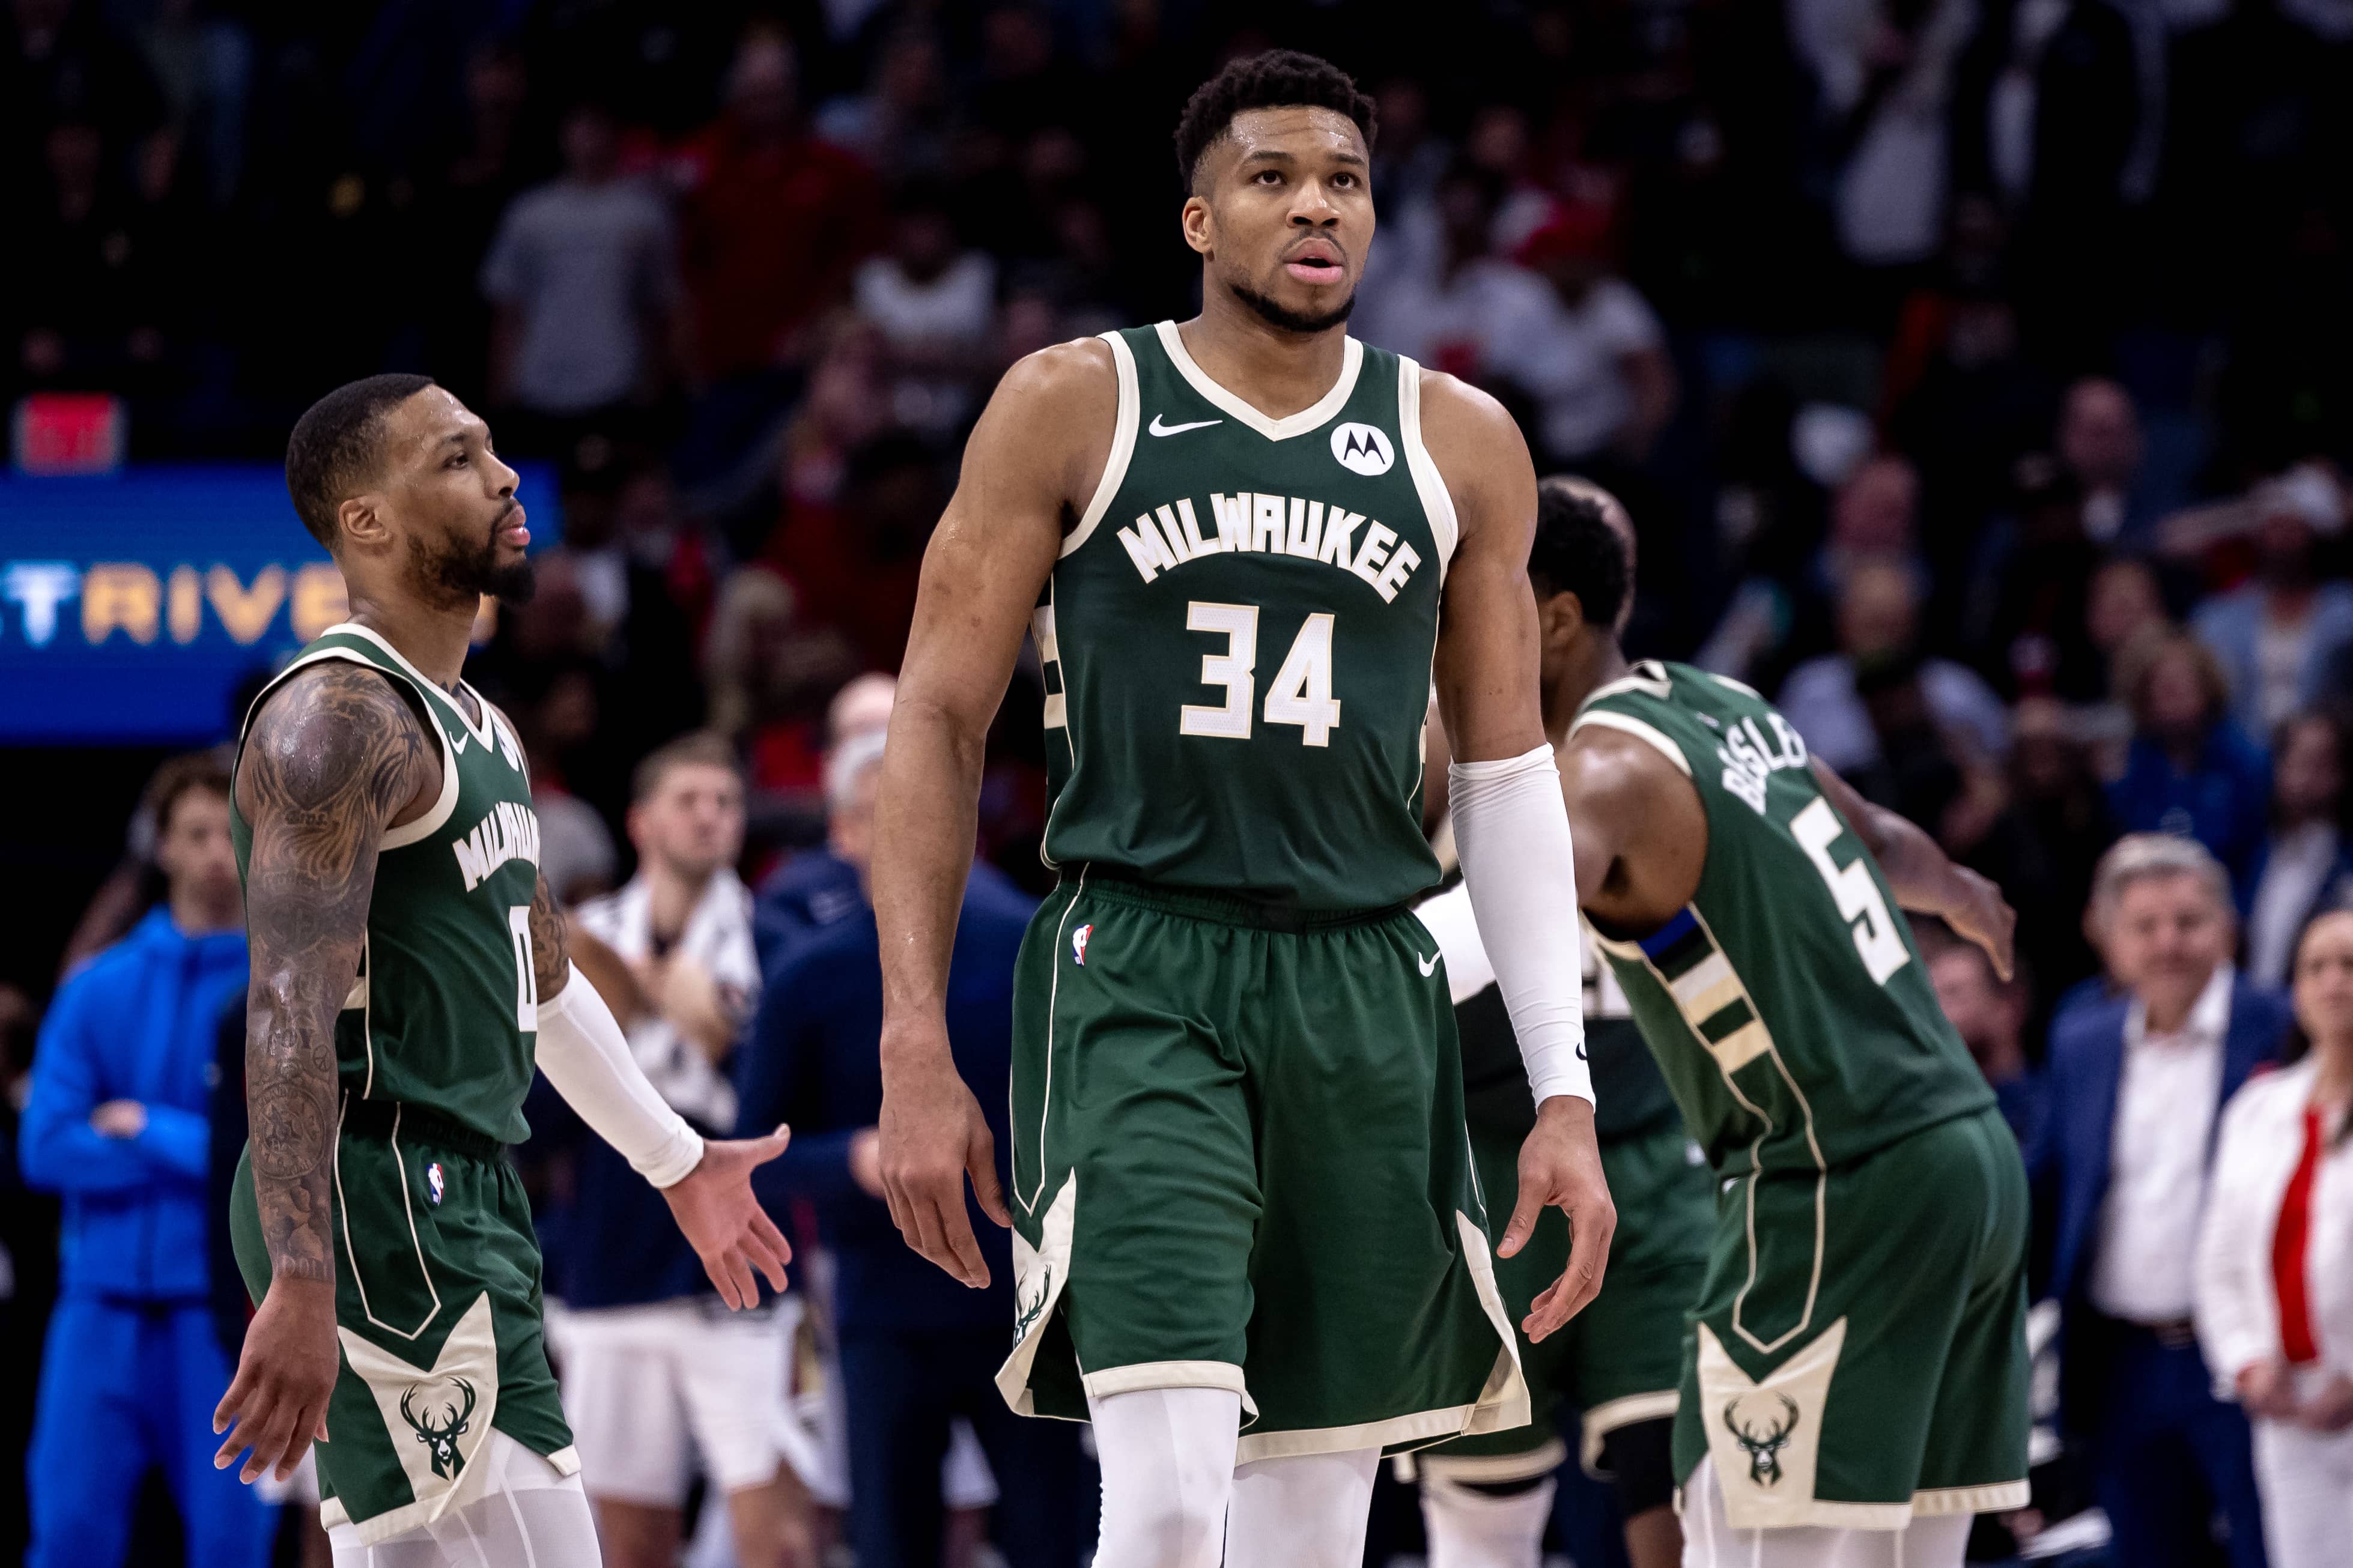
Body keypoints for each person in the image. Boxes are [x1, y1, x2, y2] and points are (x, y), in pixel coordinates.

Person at [869, 51, 1611, 1568]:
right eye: (1271, 178)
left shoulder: (1460, 439)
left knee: (1309, 1528)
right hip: (1142, 965)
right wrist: (912, 1039)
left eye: (1342, 178)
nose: (1314, 205)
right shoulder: (1074, 400)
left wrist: (1562, 1088)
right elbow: (939, 717)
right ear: (1199, 220)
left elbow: (1505, 773)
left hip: (1363, 985)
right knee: (1159, 1504)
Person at [209, 374, 794, 1566]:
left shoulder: (477, 721)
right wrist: (304, 1273)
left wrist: (674, 1161)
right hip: (377, 1200)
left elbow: (543, 976)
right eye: (458, 457)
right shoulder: (336, 721)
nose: (506, 474)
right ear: (366, 519)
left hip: (468, 1198)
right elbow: (283, 1017)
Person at [1548, 480, 2035, 1562]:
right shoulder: (1724, 703)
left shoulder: (1598, 773)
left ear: (1549, 618)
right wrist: (1962, 890)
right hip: (1966, 1153)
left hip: (1836, 1177)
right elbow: (1879, 838)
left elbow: (1509, 926)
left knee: (1744, 1538)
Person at [1411, 479, 1709, 1568]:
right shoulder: (1439, 737)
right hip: (1484, 1163)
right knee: (1484, 1507)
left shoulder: (1653, 746)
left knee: (1670, 1484)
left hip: (1649, 1153)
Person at [739, 731, 1086, 1568]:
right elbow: (760, 1151)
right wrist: (853, 1157)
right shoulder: (810, 975)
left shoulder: (1032, 945)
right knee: (894, 1541)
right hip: (883, 1311)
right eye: (883, 818)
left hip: (1026, 1305)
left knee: (1055, 1537)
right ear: (845, 834)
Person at [19, 753, 278, 1568]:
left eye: (227, 833)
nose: (212, 851)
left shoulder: (285, 985)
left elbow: (287, 1156)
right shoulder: (99, 986)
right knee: (68, 1537)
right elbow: (46, 1146)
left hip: (226, 1315)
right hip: (97, 1308)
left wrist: (145, 1128)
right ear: (160, 846)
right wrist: (204, 1148)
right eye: (194, 832)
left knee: (234, 1545)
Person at [558, 733, 806, 1568]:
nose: (710, 816)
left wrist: (721, 1034)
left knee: (777, 1537)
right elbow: (538, 1120)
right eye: (689, 799)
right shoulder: (578, 945)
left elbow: (793, 1116)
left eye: (727, 801)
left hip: (741, 1270)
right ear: (640, 821)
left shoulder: (779, 937)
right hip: (615, 1263)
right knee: (629, 1541)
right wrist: (621, 1015)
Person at [2040, 834, 2291, 1568]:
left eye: (2186, 921)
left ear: (2226, 928)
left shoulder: (2279, 1025)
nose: (2166, 943)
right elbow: (2047, 1187)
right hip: (2118, 1356)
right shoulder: (2078, 1040)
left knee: (2271, 1548)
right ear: (2109, 938)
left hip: (2245, 1356)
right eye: (2143, 926)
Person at [2197, 907, 2353, 1568]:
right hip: (2285, 1405)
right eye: (2314, 966)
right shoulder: (2257, 1109)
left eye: (2349, 965)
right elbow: (2219, 1261)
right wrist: (2246, 1362)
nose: (2332, 982)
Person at [2106, 632, 2272, 904]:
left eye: (2184, 687)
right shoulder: (2128, 768)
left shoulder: (2245, 764)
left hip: (2228, 907)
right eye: (2164, 689)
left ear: (2208, 689)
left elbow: (2257, 851)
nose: (2174, 698)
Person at [2245, 714, 2353, 990]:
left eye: (2320, 764)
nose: (2303, 778)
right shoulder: (2253, 851)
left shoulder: (2343, 865)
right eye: (2294, 762)